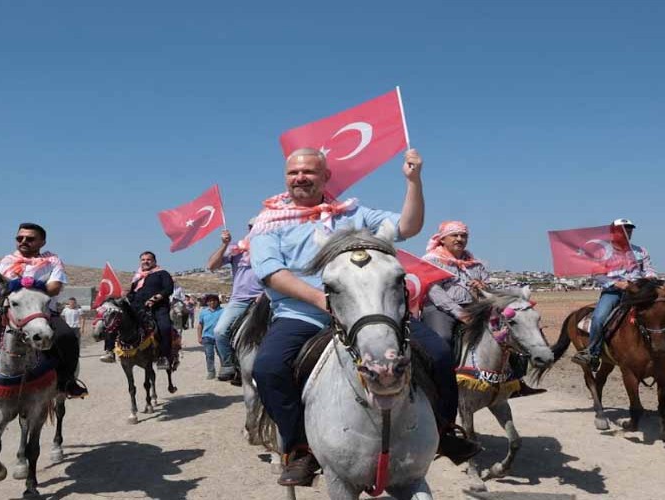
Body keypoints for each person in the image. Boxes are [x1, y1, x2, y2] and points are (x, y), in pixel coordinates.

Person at [249, 147, 478, 487]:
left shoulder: (351, 212)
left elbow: (407, 226)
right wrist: (319, 299)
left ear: (325, 176)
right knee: (267, 367)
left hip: (368, 309)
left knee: (440, 353)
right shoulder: (268, 221)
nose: (300, 178)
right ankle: (300, 448)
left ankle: (444, 430)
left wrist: (413, 181)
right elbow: (270, 272)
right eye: (293, 173)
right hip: (303, 313)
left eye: (309, 172)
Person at [0, 222, 88, 398]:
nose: (23, 241)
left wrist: (25, 283)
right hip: (9, 314)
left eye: (30, 238)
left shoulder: (52, 261)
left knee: (67, 338)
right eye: (20, 238)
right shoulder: (6, 262)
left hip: (43, 314)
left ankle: (67, 382)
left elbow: (54, 288)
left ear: (42, 242)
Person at [421, 221, 545, 398]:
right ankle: (439, 384)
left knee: (511, 329)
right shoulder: (431, 260)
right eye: (454, 235)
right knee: (442, 339)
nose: (459, 239)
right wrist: (459, 313)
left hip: (474, 307)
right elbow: (435, 291)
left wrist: (482, 286)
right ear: (442, 239)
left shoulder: (474, 263)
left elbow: (489, 288)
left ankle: (516, 381)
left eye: (463, 236)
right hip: (439, 308)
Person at [573, 218, 657, 370]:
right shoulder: (602, 252)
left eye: (629, 229)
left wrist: (649, 277)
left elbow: (649, 269)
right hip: (613, 293)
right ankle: (592, 353)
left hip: (638, 292)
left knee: (660, 311)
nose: (627, 232)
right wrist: (617, 284)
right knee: (598, 318)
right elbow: (597, 274)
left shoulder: (641, 251)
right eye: (623, 229)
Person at [206, 220, 264, 381]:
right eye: (253, 228)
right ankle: (228, 364)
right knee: (219, 332)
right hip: (240, 300)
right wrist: (224, 245)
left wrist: (266, 293)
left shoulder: (272, 247)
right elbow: (211, 265)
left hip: (268, 298)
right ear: (249, 229)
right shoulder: (236, 249)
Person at [127, 251, 175, 370]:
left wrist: (155, 299)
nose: (145, 262)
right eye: (143, 260)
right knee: (117, 322)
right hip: (138, 308)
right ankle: (110, 350)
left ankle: (164, 357)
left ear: (154, 261)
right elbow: (132, 293)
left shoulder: (162, 273)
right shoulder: (137, 277)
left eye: (148, 259)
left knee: (164, 327)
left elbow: (168, 288)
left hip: (158, 308)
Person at [197, 294, 225, 379]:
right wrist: (199, 337)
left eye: (214, 300)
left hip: (220, 336)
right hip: (207, 337)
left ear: (217, 301)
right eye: (209, 301)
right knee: (209, 355)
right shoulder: (203, 312)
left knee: (221, 354)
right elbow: (200, 325)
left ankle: (223, 372)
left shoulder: (223, 311)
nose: (212, 302)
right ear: (207, 302)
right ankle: (211, 372)